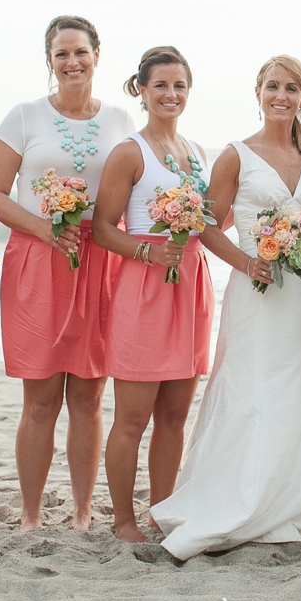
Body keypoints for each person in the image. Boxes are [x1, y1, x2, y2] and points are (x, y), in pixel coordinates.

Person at [152, 56, 301, 559]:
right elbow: (207, 226)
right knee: (250, 388)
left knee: (294, 388)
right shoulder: (236, 155)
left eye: (292, 88)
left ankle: (289, 501)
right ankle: (237, 500)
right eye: (273, 86)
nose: (281, 95)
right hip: (254, 291)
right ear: (258, 93)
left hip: (299, 292)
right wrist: (248, 261)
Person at [0, 16, 135, 532]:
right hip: (38, 260)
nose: (72, 62)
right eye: (61, 54)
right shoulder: (23, 117)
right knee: (42, 398)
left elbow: (135, 190)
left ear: (97, 55)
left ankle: (83, 509)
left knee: (89, 397)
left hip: (100, 262)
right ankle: (30, 514)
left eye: (80, 52)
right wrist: (44, 229)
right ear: (49, 60)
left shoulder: (120, 119)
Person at [92, 47, 214, 543]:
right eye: (160, 85)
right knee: (132, 419)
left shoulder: (197, 151)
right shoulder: (130, 152)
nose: (170, 94)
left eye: (179, 85)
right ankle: (124, 520)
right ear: (141, 90)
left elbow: (210, 222)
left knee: (175, 416)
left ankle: (162, 513)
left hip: (192, 286)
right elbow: (102, 229)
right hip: (144, 288)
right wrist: (148, 252)